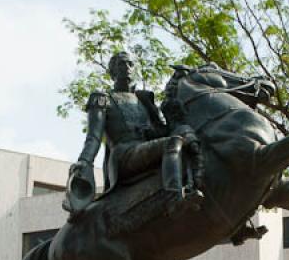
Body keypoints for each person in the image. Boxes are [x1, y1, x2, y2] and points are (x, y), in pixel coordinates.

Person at [64, 51, 203, 217]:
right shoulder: (102, 99)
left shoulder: (144, 99)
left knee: (185, 135)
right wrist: (84, 162)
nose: (127, 68)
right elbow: (93, 137)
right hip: (124, 155)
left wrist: (176, 92)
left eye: (130, 64)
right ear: (112, 71)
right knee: (172, 143)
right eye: (122, 64)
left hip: (144, 149)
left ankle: (199, 183)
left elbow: (162, 131)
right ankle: (173, 198)